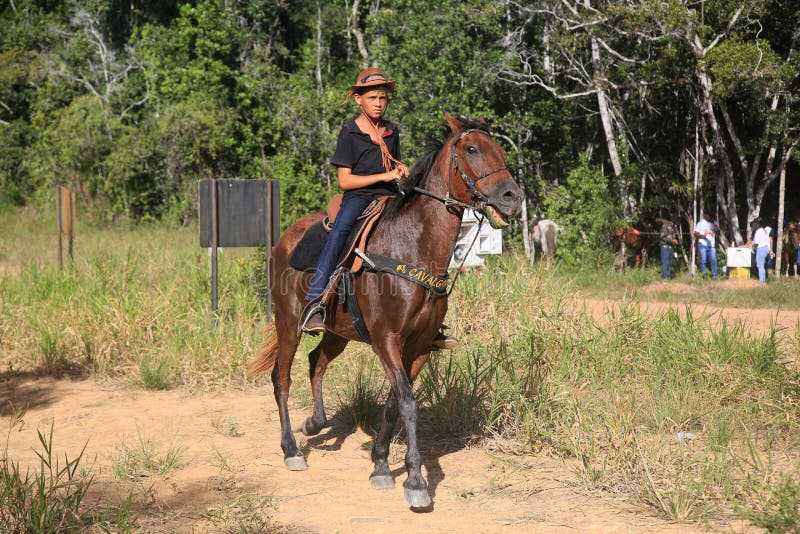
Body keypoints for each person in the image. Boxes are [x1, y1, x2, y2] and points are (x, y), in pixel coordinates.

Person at [299, 68, 456, 349]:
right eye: (372, 97)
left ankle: (427, 318)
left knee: (418, 234)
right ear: (358, 99)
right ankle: (315, 302)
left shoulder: (391, 130)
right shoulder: (349, 133)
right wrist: (383, 176)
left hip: (389, 195)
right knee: (339, 234)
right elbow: (345, 180)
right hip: (358, 197)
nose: (379, 102)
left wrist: (398, 168)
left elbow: (390, 163)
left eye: (383, 98)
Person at [744, 218, 774, 283]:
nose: (754, 225)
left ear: (758, 224)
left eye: (755, 224)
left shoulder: (758, 231)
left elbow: (756, 244)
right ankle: (763, 280)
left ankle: (761, 282)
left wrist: (749, 247)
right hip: (766, 249)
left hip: (761, 249)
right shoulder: (763, 230)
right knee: (762, 266)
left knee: (760, 266)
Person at [693, 212, 718, 279]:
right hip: (703, 244)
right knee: (703, 261)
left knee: (713, 261)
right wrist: (702, 236)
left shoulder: (714, 223)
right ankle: (705, 276)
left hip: (711, 245)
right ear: (706, 216)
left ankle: (715, 276)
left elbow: (717, 230)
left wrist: (714, 225)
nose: (711, 218)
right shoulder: (700, 223)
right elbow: (695, 233)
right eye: (710, 216)